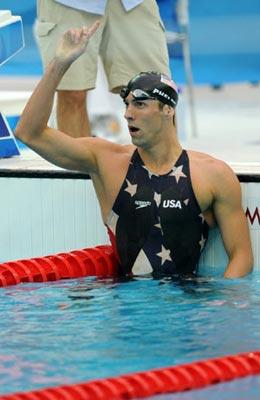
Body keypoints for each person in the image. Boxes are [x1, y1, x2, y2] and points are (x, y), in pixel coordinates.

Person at [15, 22, 253, 278]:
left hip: (185, 308)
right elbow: (29, 133)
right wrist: (59, 64)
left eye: (140, 104)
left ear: (167, 110)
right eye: (127, 105)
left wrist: (221, 308)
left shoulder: (212, 174)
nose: (128, 114)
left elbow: (241, 256)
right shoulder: (106, 160)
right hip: (125, 305)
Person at [35, 0, 170, 138]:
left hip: (133, 3)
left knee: (156, 91)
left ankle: (167, 160)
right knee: (72, 93)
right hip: (69, 4)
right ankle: (78, 159)